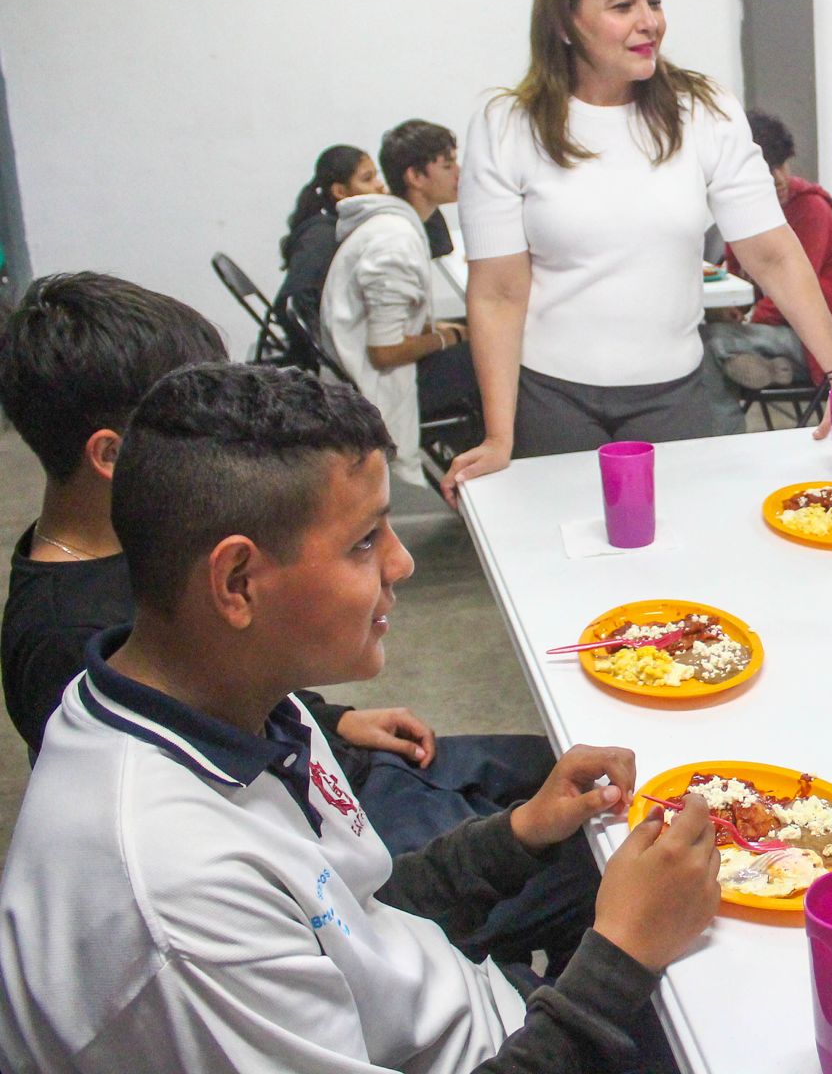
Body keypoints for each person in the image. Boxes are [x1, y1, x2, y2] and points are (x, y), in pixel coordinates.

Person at [0, 362, 722, 1073]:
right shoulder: (175, 896)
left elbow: (351, 916)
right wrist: (620, 959)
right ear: (237, 583)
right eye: (363, 542)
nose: (402, 563)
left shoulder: (243, 701)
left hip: (471, 1005)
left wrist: (520, 835)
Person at [0, 272, 588, 969]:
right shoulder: (75, 644)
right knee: (593, 866)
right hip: (321, 839)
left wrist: (328, 718)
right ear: (113, 455)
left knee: (575, 789)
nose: (399, 566)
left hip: (325, 783)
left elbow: (232, 683)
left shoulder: (153, 563)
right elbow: (332, 919)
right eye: (189, 413)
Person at [449, 0, 832, 484]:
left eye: (655, 1)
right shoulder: (506, 125)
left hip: (675, 395)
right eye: (624, 5)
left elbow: (773, 254)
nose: (650, 22)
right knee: (566, 559)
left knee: (678, 553)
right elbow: (497, 291)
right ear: (565, 22)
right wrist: (499, 437)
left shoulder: (704, 109)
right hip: (551, 399)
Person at [321, 118, 480, 487]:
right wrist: (448, 338)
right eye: (447, 164)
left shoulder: (396, 228)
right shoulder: (394, 241)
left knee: (479, 335)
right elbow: (385, 352)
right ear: (416, 176)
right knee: (497, 357)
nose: (459, 172)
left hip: (364, 372)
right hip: (375, 384)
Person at [703, 110, 832, 429]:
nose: (779, 178)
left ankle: (724, 438)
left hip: (814, 342)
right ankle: (770, 367)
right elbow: (743, 272)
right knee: (713, 341)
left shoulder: (810, 208)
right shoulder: (747, 209)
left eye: (782, 165)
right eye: (767, 169)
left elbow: (793, 288)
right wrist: (737, 309)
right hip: (778, 329)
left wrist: (748, 319)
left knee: (707, 345)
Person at [274, 144, 385, 363]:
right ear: (340, 192)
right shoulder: (322, 235)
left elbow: (439, 243)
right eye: (367, 178)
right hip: (341, 351)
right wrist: (330, 350)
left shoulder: (340, 225)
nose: (380, 186)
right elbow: (294, 297)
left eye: (376, 176)